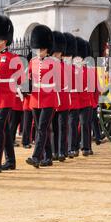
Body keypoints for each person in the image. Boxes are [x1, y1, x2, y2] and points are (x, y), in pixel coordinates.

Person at [0, 15, 22, 173]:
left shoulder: (13, 58)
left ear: (5, 40)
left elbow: (20, 78)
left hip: (7, 96)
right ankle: (11, 161)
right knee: (5, 128)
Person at [26, 25, 60, 168]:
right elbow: (28, 79)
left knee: (42, 128)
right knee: (42, 129)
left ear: (47, 48)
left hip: (48, 99)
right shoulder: (32, 62)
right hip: (35, 99)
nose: (39, 51)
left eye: (42, 49)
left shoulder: (54, 62)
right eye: (38, 49)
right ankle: (48, 157)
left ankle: (36, 157)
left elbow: (59, 81)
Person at [51, 31, 69, 162]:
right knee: (53, 127)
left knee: (62, 127)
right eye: (55, 52)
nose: (56, 55)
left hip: (62, 99)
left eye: (58, 52)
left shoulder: (66, 66)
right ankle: (54, 151)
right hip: (52, 99)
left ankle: (62, 151)